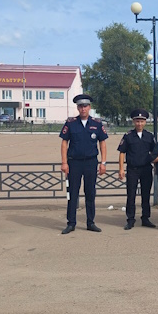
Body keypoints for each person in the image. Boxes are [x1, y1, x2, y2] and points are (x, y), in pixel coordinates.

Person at [59, 94, 107, 234]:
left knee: (90, 193)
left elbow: (102, 144)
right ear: (77, 108)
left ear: (90, 107)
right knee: (73, 193)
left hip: (91, 163)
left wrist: (103, 163)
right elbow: (64, 143)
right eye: (80, 106)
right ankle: (71, 223)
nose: (83, 109)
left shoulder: (97, 124)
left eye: (85, 106)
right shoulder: (70, 123)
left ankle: (90, 222)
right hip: (74, 163)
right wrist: (64, 162)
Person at [118, 109, 156, 230]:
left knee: (146, 195)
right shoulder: (128, 136)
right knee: (131, 195)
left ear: (145, 122)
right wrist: (121, 169)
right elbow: (122, 153)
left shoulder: (150, 136)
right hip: (132, 169)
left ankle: (145, 218)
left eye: (142, 121)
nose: (139, 124)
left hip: (146, 169)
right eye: (137, 121)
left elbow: (155, 152)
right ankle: (130, 219)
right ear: (133, 121)